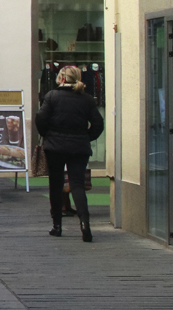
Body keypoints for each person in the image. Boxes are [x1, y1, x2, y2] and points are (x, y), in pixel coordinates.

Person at [36, 65, 104, 242]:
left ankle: (57, 226)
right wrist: (86, 137)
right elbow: (98, 124)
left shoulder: (51, 96)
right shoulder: (86, 99)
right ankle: (85, 223)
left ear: (61, 78)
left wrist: (48, 135)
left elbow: (41, 120)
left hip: (55, 147)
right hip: (79, 146)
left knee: (56, 185)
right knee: (77, 184)